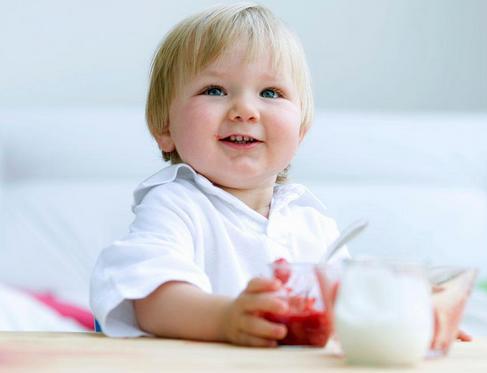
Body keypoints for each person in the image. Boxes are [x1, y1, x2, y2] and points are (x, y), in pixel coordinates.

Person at [90, 2, 348, 347]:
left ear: (300, 132)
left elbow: (355, 304)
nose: (245, 110)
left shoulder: (313, 224)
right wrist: (225, 320)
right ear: (164, 126)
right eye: (215, 90)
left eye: (271, 93)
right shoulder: (176, 205)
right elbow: (147, 297)